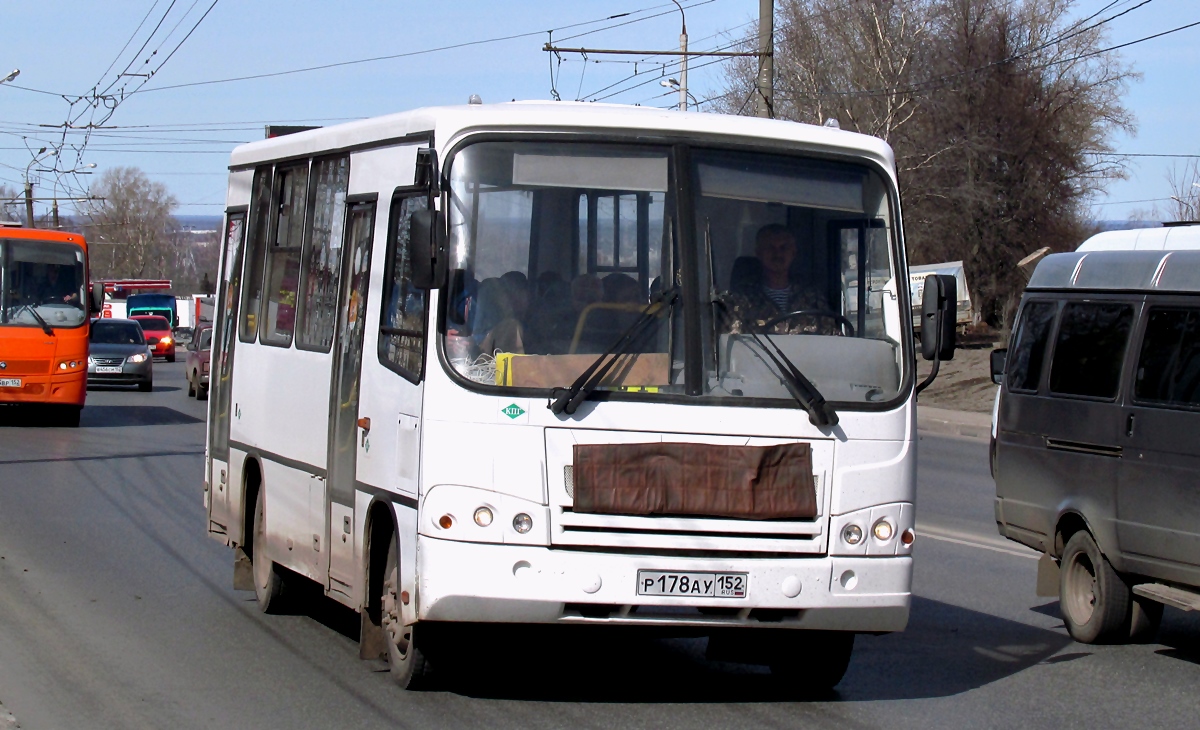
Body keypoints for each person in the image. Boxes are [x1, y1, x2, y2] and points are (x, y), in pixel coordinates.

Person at [722, 224, 837, 335]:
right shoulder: (740, 301)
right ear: (759, 253)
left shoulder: (813, 298)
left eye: (784, 248)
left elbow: (833, 340)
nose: (777, 254)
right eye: (770, 248)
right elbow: (731, 344)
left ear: (793, 253)